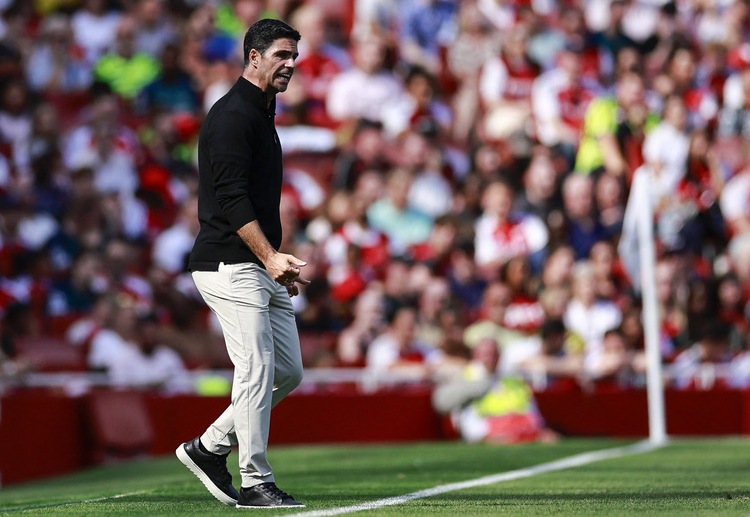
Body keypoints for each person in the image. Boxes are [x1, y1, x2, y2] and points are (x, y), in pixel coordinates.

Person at [175, 19, 307, 509]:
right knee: (255, 370)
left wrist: (275, 260)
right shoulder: (233, 116)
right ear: (253, 57)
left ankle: (208, 448)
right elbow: (231, 199)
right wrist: (270, 257)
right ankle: (254, 480)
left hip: (255, 262)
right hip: (229, 264)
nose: (290, 63)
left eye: (294, 55)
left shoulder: (261, 111)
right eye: (281, 54)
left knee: (287, 372)